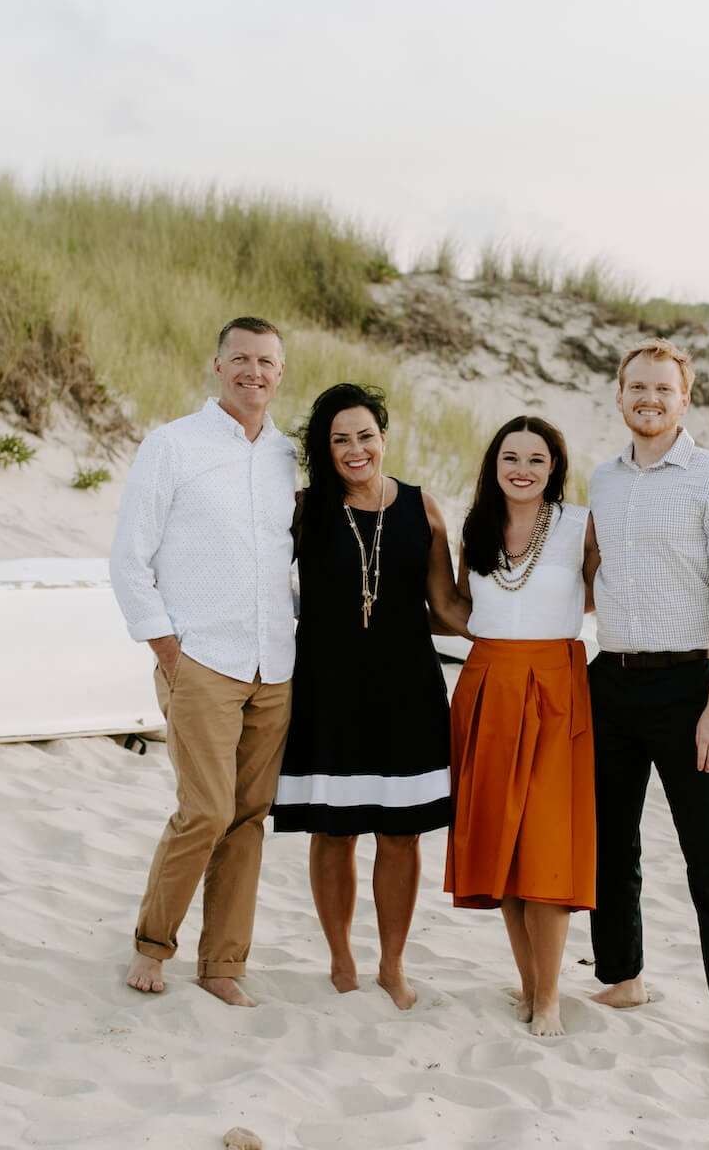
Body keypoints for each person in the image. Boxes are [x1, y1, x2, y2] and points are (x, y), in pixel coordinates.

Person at [585, 337, 709, 1073]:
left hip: (692, 687)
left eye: (664, 389)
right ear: (619, 394)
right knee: (608, 847)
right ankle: (623, 979)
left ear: (684, 400)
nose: (649, 400)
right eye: (637, 387)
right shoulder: (603, 480)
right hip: (611, 682)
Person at [109, 316, 296, 1007]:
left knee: (249, 817)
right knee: (206, 810)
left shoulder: (288, 458)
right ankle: (152, 944)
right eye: (241, 358)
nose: (254, 371)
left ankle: (223, 964)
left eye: (267, 362)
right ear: (217, 366)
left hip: (274, 666)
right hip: (202, 661)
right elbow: (129, 559)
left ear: (281, 374)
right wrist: (169, 652)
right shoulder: (173, 446)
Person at [271, 383, 469, 1010]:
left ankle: (392, 964)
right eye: (339, 440)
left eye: (364, 436)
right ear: (323, 449)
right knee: (333, 832)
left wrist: (531, 609)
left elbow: (445, 608)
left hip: (407, 689)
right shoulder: (303, 510)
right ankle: (340, 961)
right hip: (327, 689)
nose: (355, 450)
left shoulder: (423, 509)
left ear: (384, 437)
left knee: (401, 834)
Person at [444, 415, 598, 1037]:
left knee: (546, 845)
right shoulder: (476, 527)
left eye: (537, 458)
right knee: (503, 847)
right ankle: (532, 985)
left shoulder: (580, 525)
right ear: (495, 462)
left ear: (555, 466)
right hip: (487, 685)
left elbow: (599, 595)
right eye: (512, 456)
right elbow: (459, 606)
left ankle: (553, 996)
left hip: (556, 685)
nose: (523, 468)